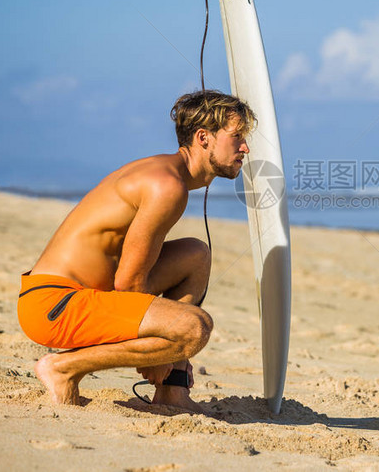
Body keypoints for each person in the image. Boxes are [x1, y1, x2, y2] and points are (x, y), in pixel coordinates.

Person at [17, 90, 255, 411]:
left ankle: (172, 392)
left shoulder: (168, 175)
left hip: (83, 296)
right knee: (194, 328)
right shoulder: (167, 186)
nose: (245, 147)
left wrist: (163, 352)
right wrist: (159, 353)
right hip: (54, 305)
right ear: (204, 138)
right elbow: (129, 282)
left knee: (195, 255)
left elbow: (130, 277)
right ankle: (62, 369)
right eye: (237, 137)